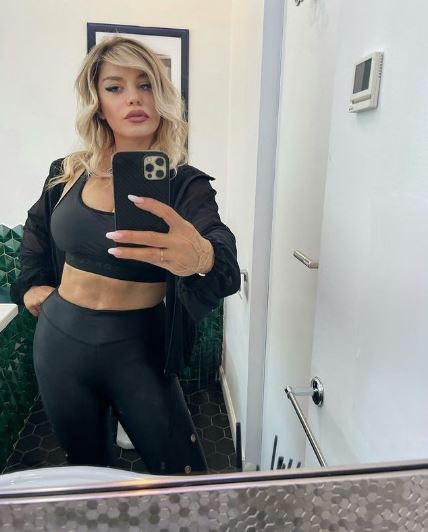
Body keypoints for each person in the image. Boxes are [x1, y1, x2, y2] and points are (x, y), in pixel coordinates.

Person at [10, 36, 241, 475]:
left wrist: (203, 257)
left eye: (146, 84)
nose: (134, 97)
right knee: (87, 473)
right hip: (60, 339)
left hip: (139, 347)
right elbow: (36, 229)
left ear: (162, 96)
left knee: (184, 476)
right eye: (115, 87)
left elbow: (221, 252)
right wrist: (32, 286)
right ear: (97, 104)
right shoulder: (69, 171)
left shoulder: (183, 184)